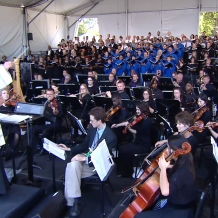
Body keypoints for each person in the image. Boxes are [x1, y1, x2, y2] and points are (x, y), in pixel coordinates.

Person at [58, 107, 117, 216]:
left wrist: (84, 158)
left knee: (71, 167)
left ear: (100, 121)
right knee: (73, 165)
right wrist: (69, 149)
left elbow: (102, 157)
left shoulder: (110, 137)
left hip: (96, 164)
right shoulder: (93, 128)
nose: (89, 122)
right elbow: (85, 145)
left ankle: (73, 202)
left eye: (92, 120)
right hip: (87, 156)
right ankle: (75, 201)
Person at [135, 135, 198, 218]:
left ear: (174, 150)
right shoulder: (185, 160)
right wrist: (169, 166)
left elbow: (165, 192)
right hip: (180, 205)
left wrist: (163, 168)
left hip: (179, 212)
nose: (166, 150)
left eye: (168, 147)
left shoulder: (181, 172)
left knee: (139, 216)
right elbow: (178, 169)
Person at [112, 102, 152, 177]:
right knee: (122, 148)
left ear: (143, 109)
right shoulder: (138, 118)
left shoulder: (147, 121)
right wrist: (117, 125)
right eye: (136, 109)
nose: (137, 111)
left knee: (125, 150)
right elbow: (127, 122)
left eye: (138, 109)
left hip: (143, 145)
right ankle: (122, 171)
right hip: (137, 142)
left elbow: (136, 132)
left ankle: (127, 173)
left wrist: (129, 128)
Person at [32, 88, 63, 152]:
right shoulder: (45, 102)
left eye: (50, 94)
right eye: (47, 94)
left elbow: (61, 115)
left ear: (54, 95)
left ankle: (47, 149)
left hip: (55, 123)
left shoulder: (58, 103)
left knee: (45, 132)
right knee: (32, 129)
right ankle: (39, 146)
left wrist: (54, 111)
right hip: (46, 123)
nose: (49, 96)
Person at [0, 88, 21, 159]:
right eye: (4, 93)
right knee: (4, 134)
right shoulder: (0, 107)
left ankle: (13, 150)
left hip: (12, 124)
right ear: (1, 95)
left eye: (7, 93)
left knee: (17, 131)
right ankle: (4, 151)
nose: (6, 95)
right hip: (3, 125)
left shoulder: (12, 106)